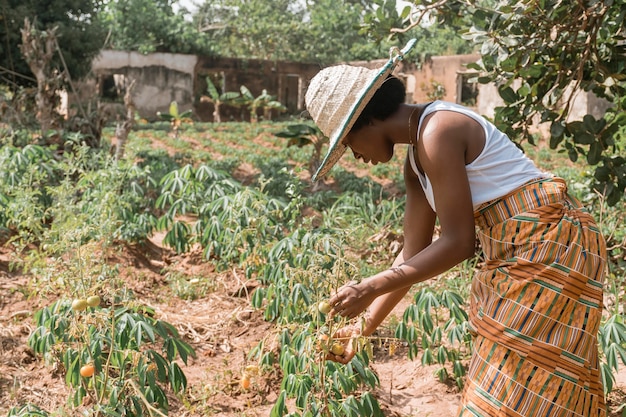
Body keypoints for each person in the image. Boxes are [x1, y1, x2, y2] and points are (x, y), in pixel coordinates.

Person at [304, 39, 607, 417]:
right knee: (530, 382)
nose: (356, 155)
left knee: (518, 383)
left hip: (551, 244)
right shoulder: (416, 161)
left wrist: (370, 286)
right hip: (517, 252)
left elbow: (459, 242)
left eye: (347, 142)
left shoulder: (438, 130)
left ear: (366, 118)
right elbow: (412, 253)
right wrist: (362, 328)